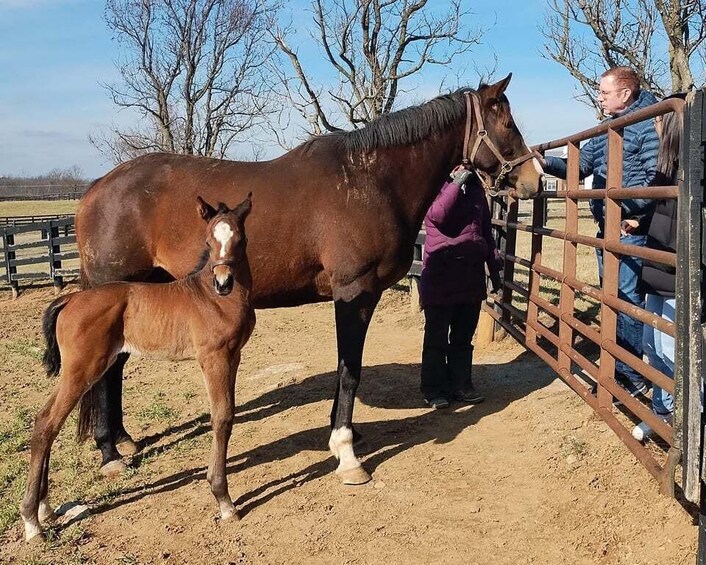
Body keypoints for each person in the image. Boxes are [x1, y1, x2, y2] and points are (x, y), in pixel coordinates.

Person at [539, 66, 660, 398]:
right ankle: (618, 368)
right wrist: (543, 162)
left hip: (629, 230)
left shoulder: (649, 121)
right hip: (608, 228)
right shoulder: (607, 128)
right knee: (611, 300)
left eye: (604, 93)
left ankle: (629, 373)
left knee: (625, 300)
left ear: (625, 93)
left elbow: (658, 174)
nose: (599, 97)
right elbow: (581, 166)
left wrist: (637, 215)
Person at [419, 165, 502, 409]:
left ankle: (461, 384)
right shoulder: (434, 184)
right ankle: (433, 389)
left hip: (470, 275)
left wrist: (494, 270)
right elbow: (437, 215)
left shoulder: (476, 190)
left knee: (463, 337)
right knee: (436, 338)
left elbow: (485, 230)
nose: (464, 168)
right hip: (441, 274)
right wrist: (455, 183)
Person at [630, 95, 685, 441]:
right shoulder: (666, 167)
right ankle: (663, 411)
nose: (654, 123)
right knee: (652, 345)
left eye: (660, 119)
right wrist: (639, 219)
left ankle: (688, 417)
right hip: (658, 264)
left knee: (673, 348)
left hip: (676, 268)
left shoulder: (691, 166)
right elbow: (657, 205)